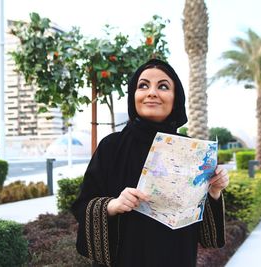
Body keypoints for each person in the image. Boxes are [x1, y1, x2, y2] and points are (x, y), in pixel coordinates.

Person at [71, 58, 229, 267]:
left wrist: (214, 191)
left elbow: (203, 229)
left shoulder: (191, 151)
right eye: (143, 85)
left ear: (176, 98)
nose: (152, 92)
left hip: (178, 257)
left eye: (163, 86)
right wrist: (113, 205)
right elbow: (83, 205)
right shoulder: (112, 146)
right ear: (133, 96)